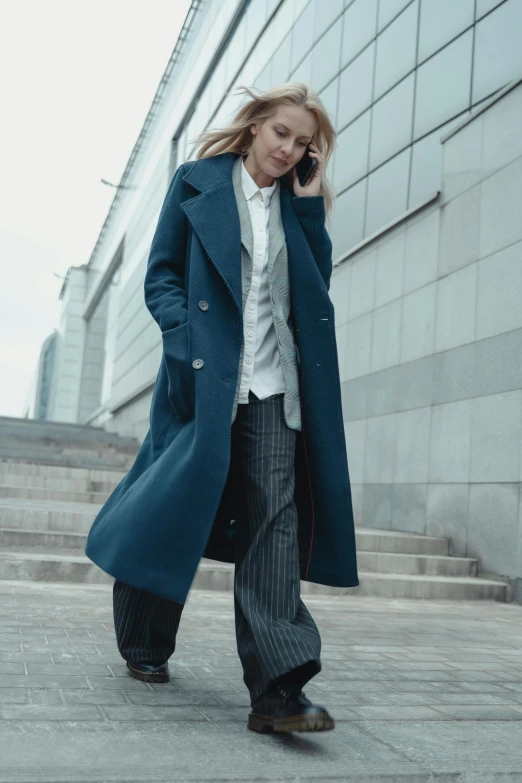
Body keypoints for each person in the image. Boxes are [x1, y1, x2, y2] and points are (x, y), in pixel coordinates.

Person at [85, 82, 358, 733]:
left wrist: (311, 209)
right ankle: (144, 640)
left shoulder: (298, 203)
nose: (288, 150)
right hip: (204, 378)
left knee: (275, 520)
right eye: (280, 134)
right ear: (256, 126)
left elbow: (314, 285)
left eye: (302, 143)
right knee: (173, 505)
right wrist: (184, 341)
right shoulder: (196, 182)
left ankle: (279, 687)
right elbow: (161, 276)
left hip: (272, 385)